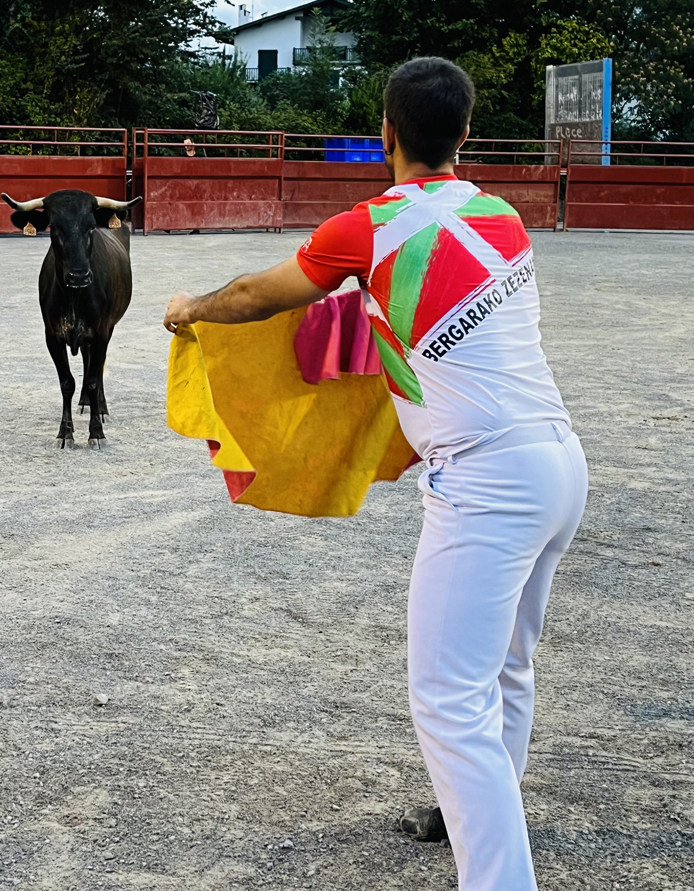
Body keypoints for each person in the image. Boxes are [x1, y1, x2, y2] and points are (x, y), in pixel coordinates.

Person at [164, 57, 588, 891]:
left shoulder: (368, 226)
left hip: (487, 482)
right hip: (560, 464)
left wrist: (191, 309)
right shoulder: (504, 218)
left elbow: (259, 294)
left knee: (445, 700)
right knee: (505, 669)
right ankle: (479, 812)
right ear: (466, 136)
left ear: (384, 133)